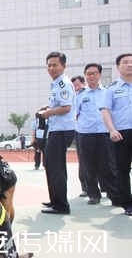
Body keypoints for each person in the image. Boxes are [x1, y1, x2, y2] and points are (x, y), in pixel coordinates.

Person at [38, 51, 75, 215]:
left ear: (63, 66)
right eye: (49, 65)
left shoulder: (63, 84)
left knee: (56, 168)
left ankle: (61, 205)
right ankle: (55, 200)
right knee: (50, 166)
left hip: (61, 130)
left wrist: (48, 113)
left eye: (55, 65)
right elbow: (59, 104)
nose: (51, 68)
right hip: (55, 129)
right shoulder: (55, 84)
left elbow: (66, 107)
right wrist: (48, 108)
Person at [75, 63, 114, 205]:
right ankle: (93, 194)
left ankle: (112, 192)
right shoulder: (80, 95)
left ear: (100, 75)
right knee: (88, 165)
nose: (92, 76)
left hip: (104, 133)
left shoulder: (108, 92)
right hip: (86, 134)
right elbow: (76, 114)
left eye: (94, 73)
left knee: (107, 164)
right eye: (89, 74)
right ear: (85, 76)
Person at [100, 53, 132, 216]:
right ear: (118, 67)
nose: (130, 65)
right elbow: (105, 111)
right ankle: (127, 203)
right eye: (125, 62)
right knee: (122, 169)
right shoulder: (112, 89)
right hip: (121, 133)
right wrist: (112, 130)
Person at [71, 75, 88, 197]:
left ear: (83, 83)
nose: (76, 88)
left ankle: (105, 187)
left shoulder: (89, 94)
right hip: (80, 132)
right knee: (83, 161)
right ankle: (86, 188)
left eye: (77, 85)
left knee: (101, 160)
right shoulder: (74, 96)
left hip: (96, 132)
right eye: (74, 86)